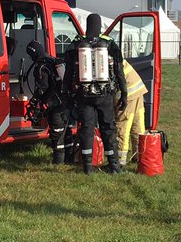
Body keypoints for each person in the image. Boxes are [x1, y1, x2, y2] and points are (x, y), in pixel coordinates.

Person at [67, 13, 125, 174]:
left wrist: (66, 94)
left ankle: (87, 167)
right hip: (105, 95)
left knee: (86, 129)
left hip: (83, 95)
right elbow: (119, 72)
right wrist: (124, 94)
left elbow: (69, 72)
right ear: (99, 26)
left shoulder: (77, 44)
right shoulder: (109, 44)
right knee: (108, 128)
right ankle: (114, 166)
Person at [23, 40, 73, 164]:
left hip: (55, 105)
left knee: (57, 134)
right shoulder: (52, 60)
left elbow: (43, 88)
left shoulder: (41, 66)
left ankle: (58, 163)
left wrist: (35, 101)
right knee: (66, 132)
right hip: (65, 103)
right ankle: (70, 159)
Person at [115, 58, 148, 167]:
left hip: (127, 93)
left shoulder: (99, 57)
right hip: (137, 89)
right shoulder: (111, 50)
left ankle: (120, 161)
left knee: (122, 125)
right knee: (137, 125)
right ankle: (139, 156)